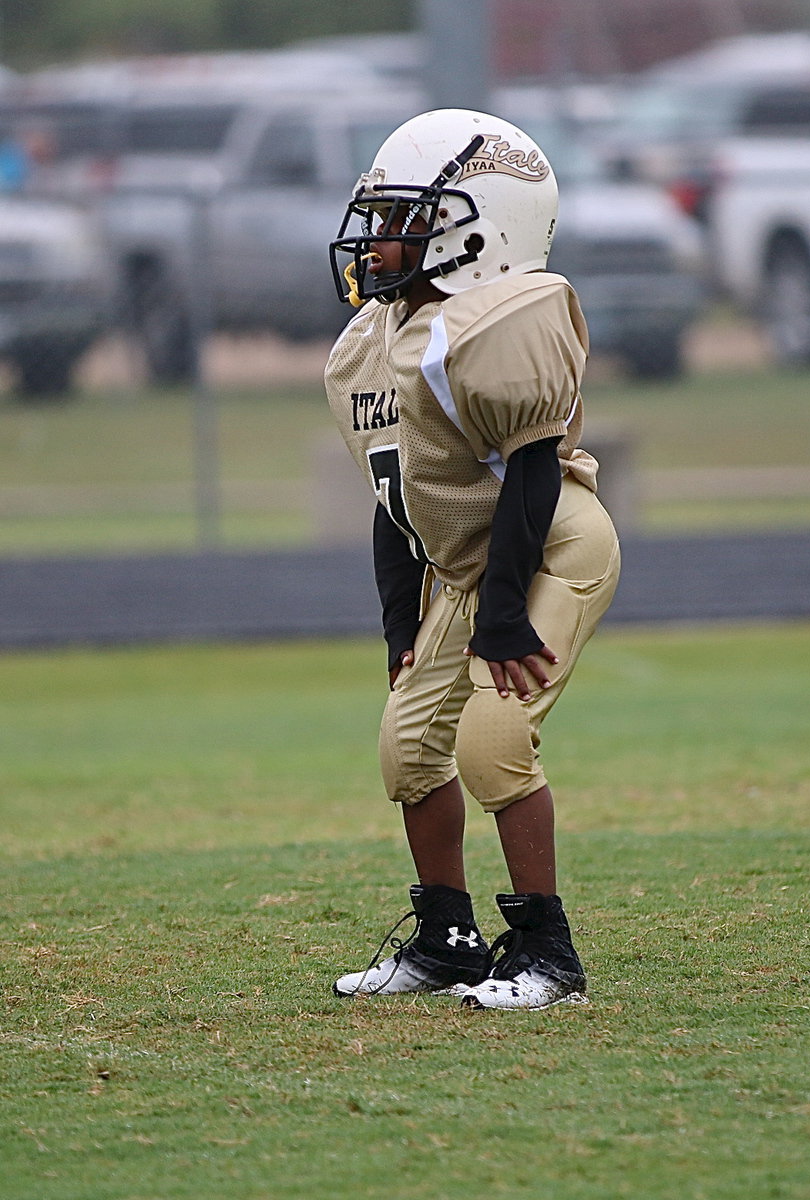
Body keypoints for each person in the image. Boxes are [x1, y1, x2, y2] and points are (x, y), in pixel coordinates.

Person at [323, 108, 620, 1009]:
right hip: (462, 569)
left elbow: (532, 474)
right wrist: (398, 624)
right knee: (408, 749)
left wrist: (499, 618)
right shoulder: (368, 347)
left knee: (494, 742)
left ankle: (547, 952)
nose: (376, 241)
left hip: (550, 542)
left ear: (479, 223)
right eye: (376, 217)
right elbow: (394, 495)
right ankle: (447, 941)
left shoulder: (501, 319)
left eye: (402, 219)